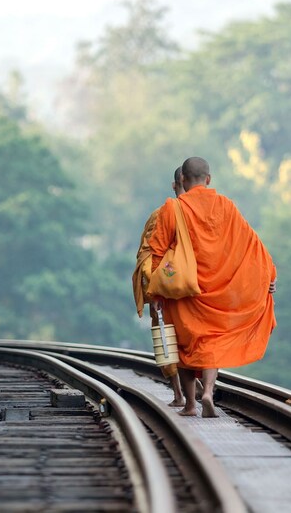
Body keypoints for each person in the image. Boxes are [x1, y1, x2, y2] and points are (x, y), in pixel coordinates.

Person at [149, 157, 277, 418]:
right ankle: (208, 391)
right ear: (208, 179)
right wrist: (269, 276)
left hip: (184, 292)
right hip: (219, 291)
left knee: (185, 347)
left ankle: (190, 405)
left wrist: (154, 291)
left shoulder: (172, 209)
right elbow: (251, 243)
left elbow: (156, 252)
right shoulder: (226, 206)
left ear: (182, 180)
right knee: (211, 343)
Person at [133, 167, 186, 406]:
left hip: (164, 286)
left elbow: (149, 254)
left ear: (174, 185)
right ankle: (201, 392)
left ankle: (179, 394)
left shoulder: (160, 214)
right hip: (195, 288)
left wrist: (154, 287)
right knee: (194, 337)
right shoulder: (204, 215)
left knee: (166, 336)